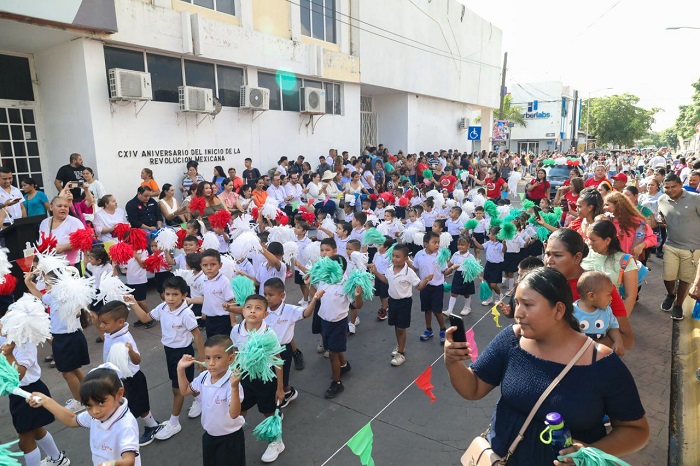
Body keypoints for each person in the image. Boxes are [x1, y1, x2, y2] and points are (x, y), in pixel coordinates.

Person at [443, 267, 649, 465]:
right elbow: (474, 388)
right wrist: (452, 361)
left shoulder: (601, 362)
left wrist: (590, 452)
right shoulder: (512, 339)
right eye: (517, 303)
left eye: (528, 305)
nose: (518, 313)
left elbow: (636, 430)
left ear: (559, 310)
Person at [127, 277, 205, 441]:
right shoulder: (163, 307)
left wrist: (202, 359)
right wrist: (133, 301)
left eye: (175, 295)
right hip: (169, 352)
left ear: (184, 295)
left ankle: (174, 422)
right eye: (167, 294)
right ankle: (201, 400)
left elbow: (197, 335)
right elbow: (146, 318)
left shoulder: (186, 313)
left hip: (183, 354)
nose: (170, 298)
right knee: (186, 383)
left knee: (177, 389)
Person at [28, 366, 141, 466]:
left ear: (119, 394)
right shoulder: (97, 416)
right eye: (88, 406)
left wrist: (110, 464)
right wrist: (46, 401)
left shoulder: (125, 425)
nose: (95, 411)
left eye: (101, 403)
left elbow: (129, 461)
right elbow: (72, 419)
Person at [544, 228, 634, 349]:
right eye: (547, 254)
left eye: (557, 255)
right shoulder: (541, 284)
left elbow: (627, 339)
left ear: (577, 257)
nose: (549, 261)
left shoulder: (598, 285)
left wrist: (583, 349)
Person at [96, 301, 165, 446]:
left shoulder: (125, 338)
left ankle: (148, 429)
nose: (101, 326)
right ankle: (151, 425)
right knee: (135, 405)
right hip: (118, 379)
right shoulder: (112, 332)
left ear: (120, 322)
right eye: (100, 322)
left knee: (135, 407)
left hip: (131, 379)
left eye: (104, 323)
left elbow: (137, 359)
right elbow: (106, 341)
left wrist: (131, 351)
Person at [1, 328, 71, 466]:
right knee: (37, 430)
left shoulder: (26, 343)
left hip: (29, 392)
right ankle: (57, 459)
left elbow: (18, 375)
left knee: (25, 441)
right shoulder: (5, 338)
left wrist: (8, 353)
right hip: (17, 394)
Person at [25, 266, 90, 414]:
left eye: (48, 284)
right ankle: (89, 394)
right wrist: (29, 283)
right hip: (67, 337)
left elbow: (40, 296)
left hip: (67, 338)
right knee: (74, 369)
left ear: (58, 284)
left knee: (67, 373)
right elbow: (41, 296)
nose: (46, 287)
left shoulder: (62, 295)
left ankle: (79, 401)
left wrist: (29, 283)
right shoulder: (57, 294)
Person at [229, 294, 286, 463]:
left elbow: (277, 361)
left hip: (265, 379)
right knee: (240, 409)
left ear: (265, 314)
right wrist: (233, 374)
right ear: (242, 310)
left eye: (258, 308)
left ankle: (276, 441)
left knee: (268, 412)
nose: (252, 311)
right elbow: (235, 353)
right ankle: (233, 438)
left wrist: (280, 388)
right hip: (244, 377)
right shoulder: (236, 330)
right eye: (249, 307)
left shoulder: (269, 334)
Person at [177, 335, 246, 466]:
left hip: (230, 438)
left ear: (231, 359)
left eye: (217, 358)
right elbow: (185, 390)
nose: (211, 363)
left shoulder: (232, 382)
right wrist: (180, 369)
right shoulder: (203, 377)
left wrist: (235, 387)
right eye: (207, 358)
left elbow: (234, 413)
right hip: (210, 436)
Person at [371, 243, 431, 366]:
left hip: (404, 303)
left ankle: (401, 353)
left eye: (398, 257)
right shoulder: (389, 269)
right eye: (393, 256)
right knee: (395, 325)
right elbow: (387, 280)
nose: (394, 259)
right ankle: (399, 345)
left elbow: (419, 287)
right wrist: (376, 273)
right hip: (392, 302)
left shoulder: (409, 272)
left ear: (405, 259)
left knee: (401, 328)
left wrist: (425, 280)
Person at [262, 278, 318, 407]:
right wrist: (231, 308)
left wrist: (314, 299)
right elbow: (246, 310)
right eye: (265, 294)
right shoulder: (264, 309)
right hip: (266, 349)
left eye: (271, 295)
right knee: (272, 376)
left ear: (282, 296)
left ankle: (286, 394)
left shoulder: (290, 310)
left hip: (283, 350)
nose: (267, 298)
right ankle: (285, 391)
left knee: (282, 377)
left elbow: (306, 313)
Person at [657, 173, 700, 320]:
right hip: (671, 245)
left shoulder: (695, 199)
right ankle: (670, 294)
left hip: (693, 248)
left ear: (681, 184)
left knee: (685, 278)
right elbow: (663, 218)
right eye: (666, 187)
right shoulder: (661, 200)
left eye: (673, 186)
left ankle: (678, 306)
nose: (670, 190)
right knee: (668, 276)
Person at [574, 271, 625, 356]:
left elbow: (612, 327)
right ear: (591, 296)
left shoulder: (607, 311)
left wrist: (618, 342)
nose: (611, 298)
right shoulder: (572, 312)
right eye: (608, 295)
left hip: (600, 356)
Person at [187, 249, 235, 337]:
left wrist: (233, 322)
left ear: (220, 265)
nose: (209, 268)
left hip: (222, 319)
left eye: (213, 264)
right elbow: (207, 298)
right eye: (205, 265)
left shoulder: (224, 281)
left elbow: (230, 302)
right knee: (211, 341)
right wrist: (204, 312)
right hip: (209, 319)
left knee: (222, 344)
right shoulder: (204, 280)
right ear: (201, 266)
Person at [413, 231, 447, 344]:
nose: (437, 245)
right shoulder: (419, 254)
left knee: (437, 311)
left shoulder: (441, 255)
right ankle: (429, 329)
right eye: (434, 242)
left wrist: (451, 268)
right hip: (425, 287)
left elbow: (444, 271)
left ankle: (443, 330)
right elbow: (415, 268)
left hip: (437, 287)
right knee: (427, 310)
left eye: (438, 242)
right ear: (425, 244)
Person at [603, 192, 657, 259]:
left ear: (617, 205)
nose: (604, 208)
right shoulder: (606, 220)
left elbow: (652, 238)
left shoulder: (635, 221)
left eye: (607, 205)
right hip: (610, 259)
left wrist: (641, 246)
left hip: (628, 261)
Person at [38, 196, 84, 265]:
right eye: (59, 206)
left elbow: (83, 242)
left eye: (66, 206)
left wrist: (63, 248)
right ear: (51, 207)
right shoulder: (44, 222)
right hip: (49, 265)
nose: (63, 208)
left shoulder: (75, 222)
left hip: (70, 266)